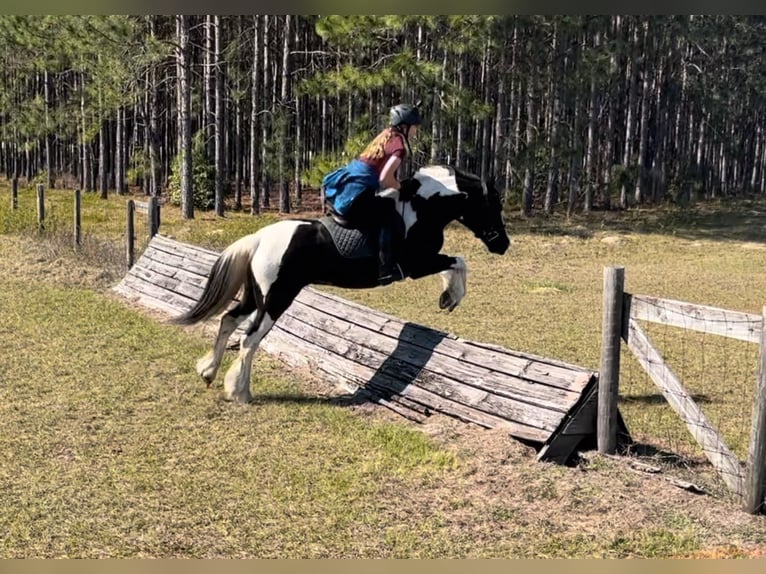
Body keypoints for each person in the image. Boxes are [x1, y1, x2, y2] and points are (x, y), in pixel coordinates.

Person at [322, 103, 421, 285]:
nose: (416, 131)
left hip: (346, 186)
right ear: (405, 127)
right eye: (415, 127)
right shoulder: (399, 146)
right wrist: (401, 187)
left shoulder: (385, 136)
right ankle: (385, 268)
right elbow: (385, 178)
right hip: (356, 195)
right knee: (388, 213)